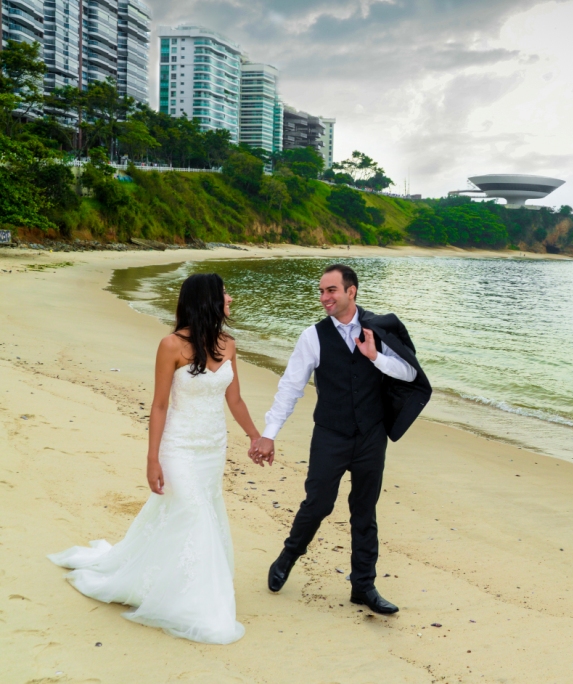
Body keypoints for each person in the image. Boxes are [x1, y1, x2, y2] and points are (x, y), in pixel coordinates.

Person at [49, 273, 261, 644]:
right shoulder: (171, 345)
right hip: (178, 447)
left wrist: (256, 437)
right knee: (193, 513)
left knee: (200, 511)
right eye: (223, 292)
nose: (229, 297)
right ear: (207, 299)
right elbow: (160, 405)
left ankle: (172, 579)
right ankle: (195, 602)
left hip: (213, 448)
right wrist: (152, 459)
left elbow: (235, 400)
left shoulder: (228, 344)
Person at [251, 263, 431, 614]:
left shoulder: (378, 328)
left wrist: (374, 355)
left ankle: (363, 587)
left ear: (352, 291)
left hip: (371, 437)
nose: (324, 298)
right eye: (321, 291)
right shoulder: (312, 336)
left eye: (331, 290)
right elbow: (291, 387)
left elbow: (410, 372)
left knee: (364, 511)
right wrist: (269, 434)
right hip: (330, 435)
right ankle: (288, 556)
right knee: (317, 504)